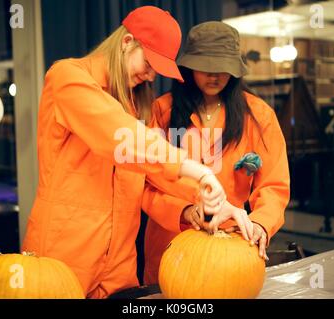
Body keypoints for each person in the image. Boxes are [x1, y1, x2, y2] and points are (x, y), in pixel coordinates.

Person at [21, 7, 228, 299]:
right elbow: (122, 138)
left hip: (120, 265)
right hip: (64, 256)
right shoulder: (67, 78)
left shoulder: (136, 104)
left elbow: (153, 172)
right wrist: (200, 170)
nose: (151, 75)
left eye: (158, 69)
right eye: (149, 62)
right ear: (127, 42)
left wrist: (203, 197)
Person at [143, 21, 290, 285]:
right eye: (206, 67)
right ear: (188, 66)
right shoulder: (162, 111)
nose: (215, 76)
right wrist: (185, 210)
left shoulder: (259, 116)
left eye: (223, 67)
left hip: (232, 252)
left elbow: (274, 186)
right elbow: (146, 184)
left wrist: (260, 224)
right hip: (170, 246)